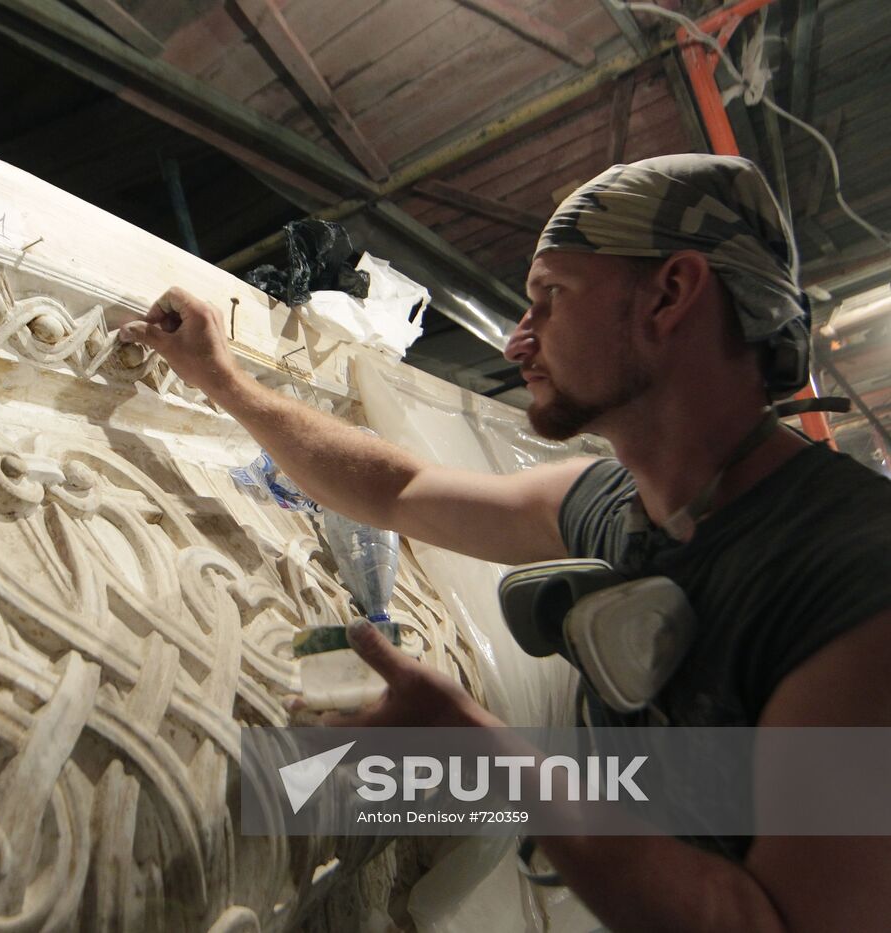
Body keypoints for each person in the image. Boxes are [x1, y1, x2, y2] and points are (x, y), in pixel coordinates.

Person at [118, 155, 891, 933]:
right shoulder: (615, 506)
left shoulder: (852, 572)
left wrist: (490, 756)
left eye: (551, 296)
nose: (520, 341)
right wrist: (227, 385)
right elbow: (396, 490)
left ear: (670, 294)